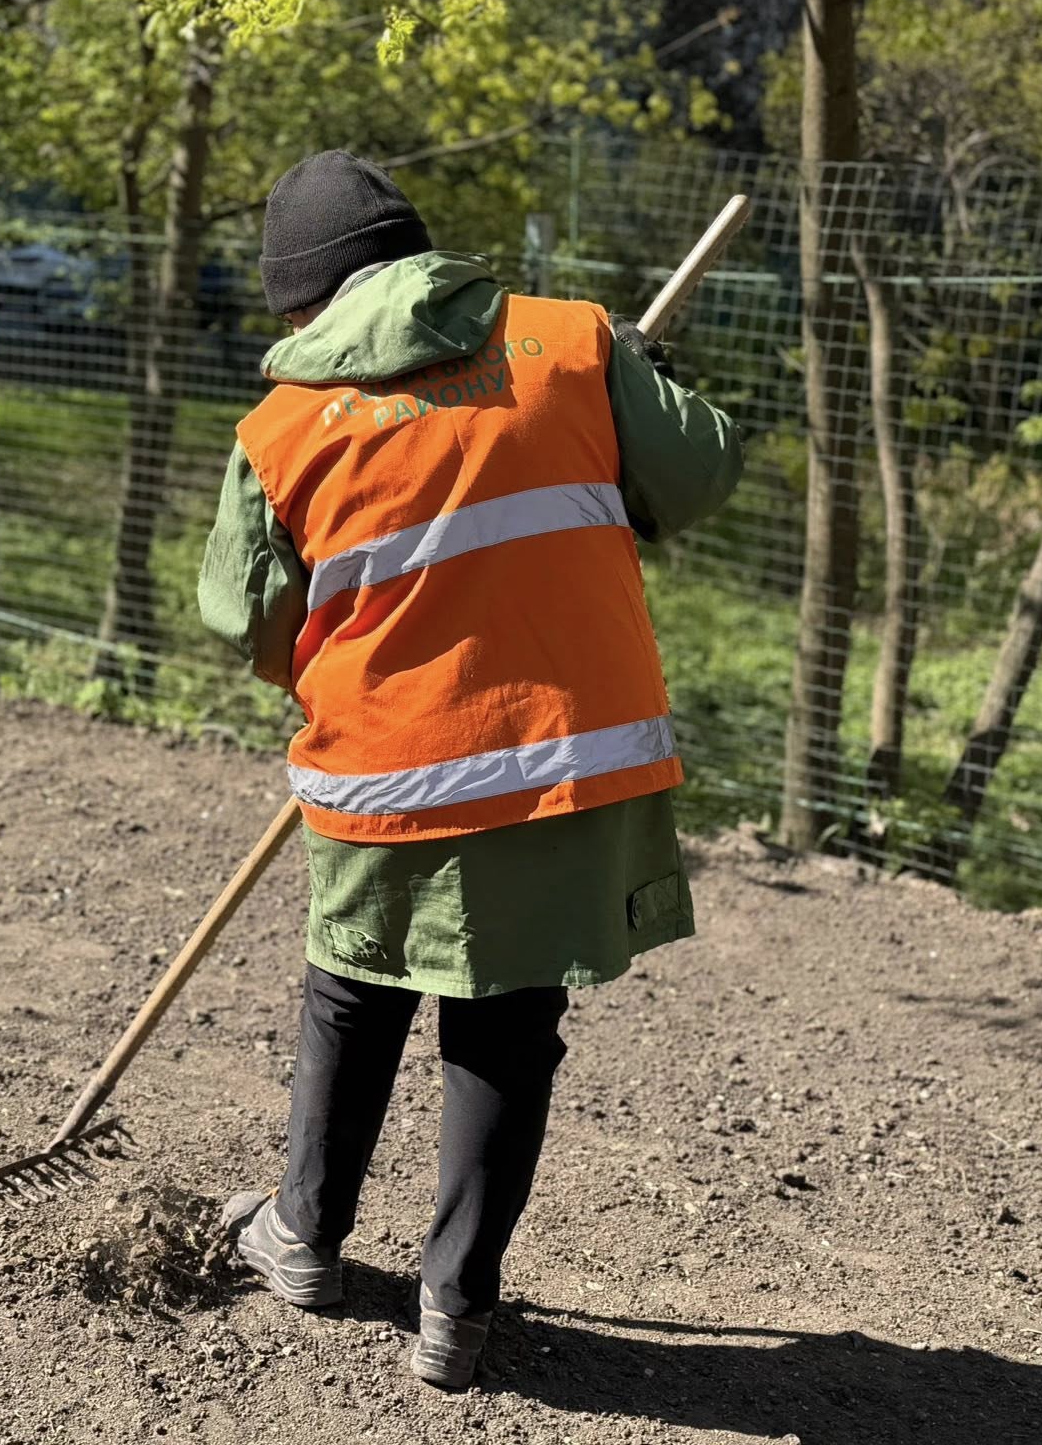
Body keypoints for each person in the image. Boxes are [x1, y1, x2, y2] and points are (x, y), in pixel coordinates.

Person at [198, 150, 742, 1389]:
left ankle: (303, 1241)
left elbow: (242, 614)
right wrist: (640, 388)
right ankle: (455, 1312)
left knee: (353, 989)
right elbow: (698, 473)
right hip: (562, 761)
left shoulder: (284, 424)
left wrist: (322, 657)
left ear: (309, 298)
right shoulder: (574, 344)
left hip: (384, 768)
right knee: (507, 1016)